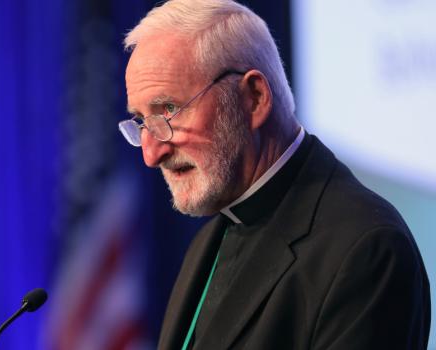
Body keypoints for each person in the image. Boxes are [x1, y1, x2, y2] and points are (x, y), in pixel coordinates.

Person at [118, 0, 431, 348]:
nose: (151, 153)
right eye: (143, 122)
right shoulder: (209, 240)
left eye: (171, 111)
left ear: (254, 98)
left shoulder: (366, 249)